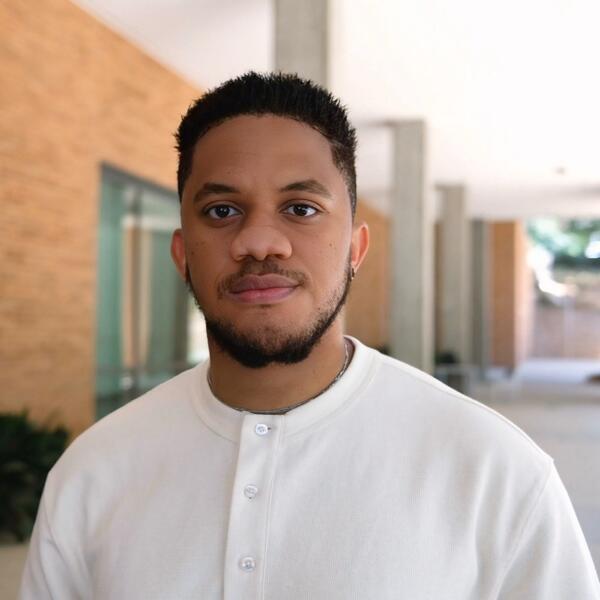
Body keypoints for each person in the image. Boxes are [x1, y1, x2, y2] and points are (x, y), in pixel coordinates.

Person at [20, 72, 600, 599]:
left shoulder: (494, 470)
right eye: (222, 211)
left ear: (356, 249)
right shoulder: (93, 471)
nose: (260, 241)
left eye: (300, 208)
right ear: (181, 254)